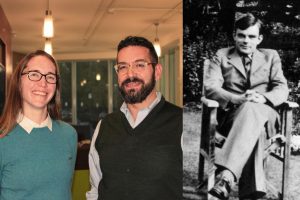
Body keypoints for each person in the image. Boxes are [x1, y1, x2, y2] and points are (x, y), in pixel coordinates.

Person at [86, 36, 182, 200]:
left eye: (139, 65)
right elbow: (95, 191)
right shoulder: (104, 126)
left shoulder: (181, 122)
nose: (130, 74)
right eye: (123, 67)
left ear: (157, 71)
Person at [205, 13, 289, 199]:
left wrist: (263, 98)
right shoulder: (222, 55)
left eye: (251, 36)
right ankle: (251, 192)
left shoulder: (271, 56)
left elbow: (282, 88)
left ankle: (226, 176)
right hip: (232, 118)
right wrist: (238, 99)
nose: (245, 40)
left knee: (252, 108)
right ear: (234, 35)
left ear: (259, 39)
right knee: (253, 127)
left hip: (266, 115)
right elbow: (211, 88)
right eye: (241, 35)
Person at [0, 50, 77, 200]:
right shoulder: (3, 138)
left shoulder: (69, 135)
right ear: (19, 82)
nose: (43, 83)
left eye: (50, 77)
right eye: (34, 74)